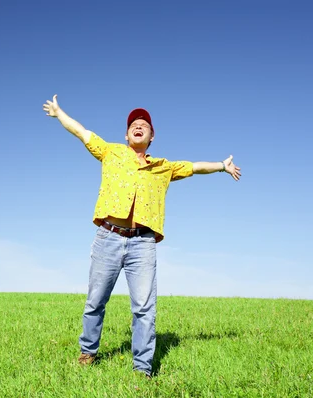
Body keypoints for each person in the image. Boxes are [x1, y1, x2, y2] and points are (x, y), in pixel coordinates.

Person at [42, 94, 241, 377]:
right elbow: (81, 132)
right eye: (133, 124)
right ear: (126, 135)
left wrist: (222, 165)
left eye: (144, 125)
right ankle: (88, 352)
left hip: (143, 244)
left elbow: (196, 167)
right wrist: (60, 113)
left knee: (144, 308)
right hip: (108, 238)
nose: (138, 126)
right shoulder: (110, 152)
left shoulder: (163, 167)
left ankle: (142, 368)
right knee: (95, 301)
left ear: (151, 137)